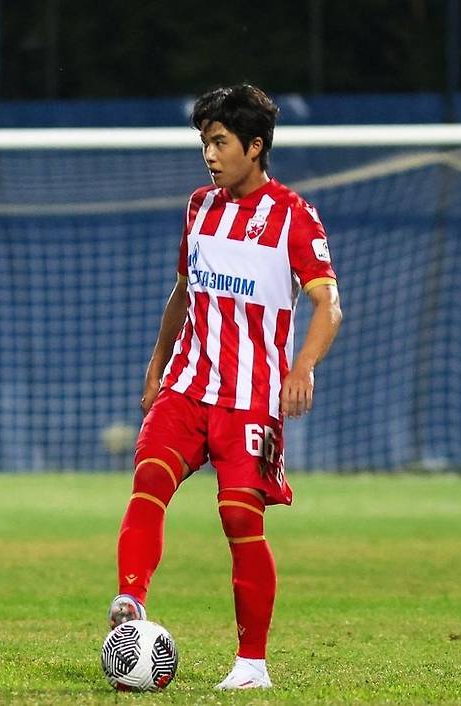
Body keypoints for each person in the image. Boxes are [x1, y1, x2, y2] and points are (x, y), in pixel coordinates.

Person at [107, 84, 342, 690]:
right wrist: (158, 362)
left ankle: (251, 664)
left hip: (251, 400)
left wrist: (303, 367)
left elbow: (328, 306)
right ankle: (130, 602)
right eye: (204, 143)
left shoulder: (292, 215)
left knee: (240, 519)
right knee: (149, 478)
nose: (209, 155)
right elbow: (183, 291)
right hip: (189, 385)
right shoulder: (199, 207)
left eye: (219, 142)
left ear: (254, 146)